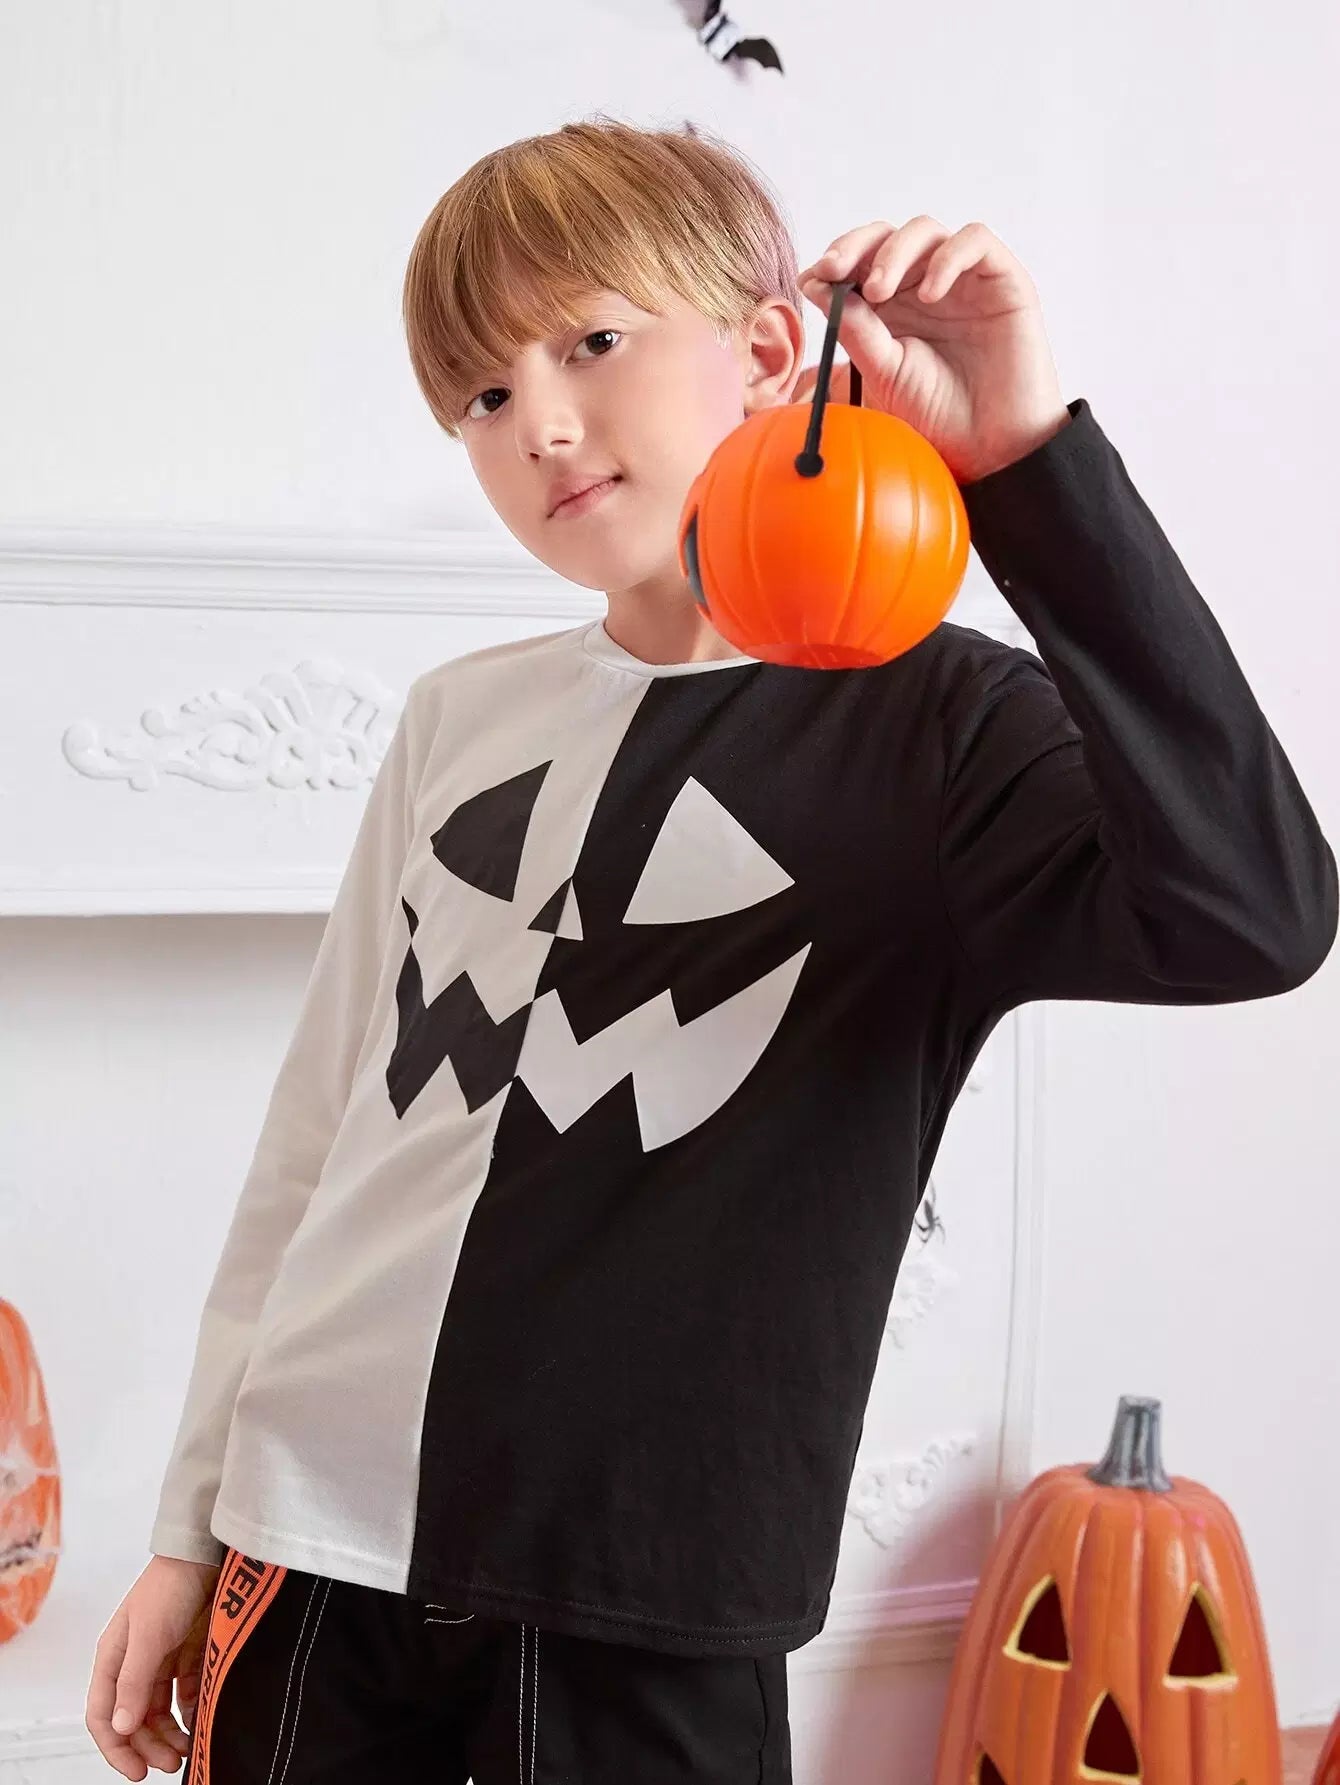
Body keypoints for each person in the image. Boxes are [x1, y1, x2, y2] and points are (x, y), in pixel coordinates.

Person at [85, 114, 1337, 1783]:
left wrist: (1026, 465)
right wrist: (191, 1527)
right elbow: (318, 1140)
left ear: (763, 352)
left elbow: (1253, 909)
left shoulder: (941, 730)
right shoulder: (459, 718)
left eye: (591, 342)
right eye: (480, 395)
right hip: (307, 1547)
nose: (538, 421)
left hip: (651, 1593)